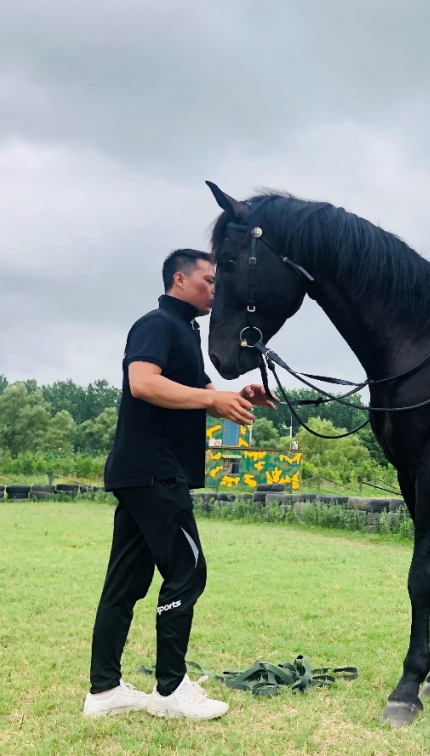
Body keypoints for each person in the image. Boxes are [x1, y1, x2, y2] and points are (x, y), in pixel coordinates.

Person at [84, 249, 273, 720]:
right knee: (188, 570)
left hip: (143, 471)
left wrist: (235, 395)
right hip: (155, 470)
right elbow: (143, 383)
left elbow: (200, 393)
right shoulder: (157, 324)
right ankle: (170, 690)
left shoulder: (185, 331)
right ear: (179, 280)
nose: (216, 289)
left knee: (125, 583)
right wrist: (212, 400)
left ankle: (104, 692)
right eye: (209, 281)